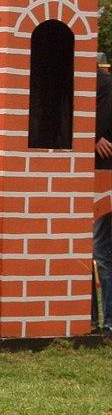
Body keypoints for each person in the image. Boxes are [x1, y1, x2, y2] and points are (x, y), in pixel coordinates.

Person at [93, 53, 112, 335]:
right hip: (97, 178)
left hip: (102, 178)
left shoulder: (101, 86)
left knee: (100, 252)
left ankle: (105, 320)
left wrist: (92, 136)